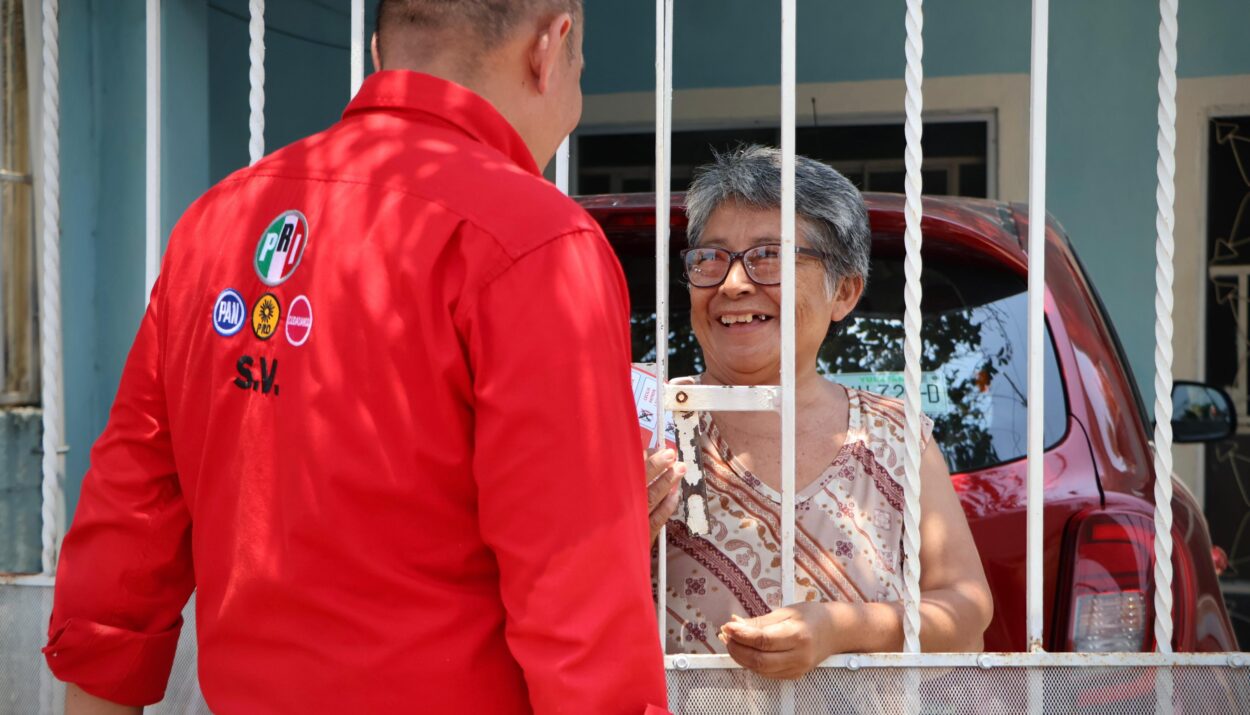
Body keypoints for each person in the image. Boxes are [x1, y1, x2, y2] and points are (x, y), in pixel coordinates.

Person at [45, 1, 668, 713]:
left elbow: (126, 531)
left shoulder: (216, 224)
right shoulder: (534, 244)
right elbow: (582, 621)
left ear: (380, 49)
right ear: (550, 48)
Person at [645, 145, 993, 680]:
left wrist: (842, 628)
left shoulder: (895, 433)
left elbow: (966, 606)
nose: (733, 284)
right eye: (711, 258)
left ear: (845, 292)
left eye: (769, 256)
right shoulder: (648, 420)